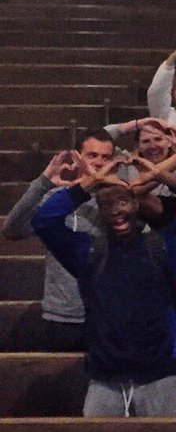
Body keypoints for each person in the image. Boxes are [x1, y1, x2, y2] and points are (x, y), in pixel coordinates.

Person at [31, 162, 176, 416]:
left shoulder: (164, 246)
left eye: (122, 202)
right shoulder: (88, 252)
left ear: (136, 204)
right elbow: (44, 221)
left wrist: (162, 175)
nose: (116, 211)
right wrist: (87, 184)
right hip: (105, 378)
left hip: (159, 376)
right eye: (106, 205)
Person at [2, 131, 115, 352]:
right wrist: (43, 183)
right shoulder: (57, 198)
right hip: (61, 316)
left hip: (105, 313)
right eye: (92, 155)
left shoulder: (118, 198)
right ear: (77, 157)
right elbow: (12, 230)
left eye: (106, 157)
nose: (99, 162)